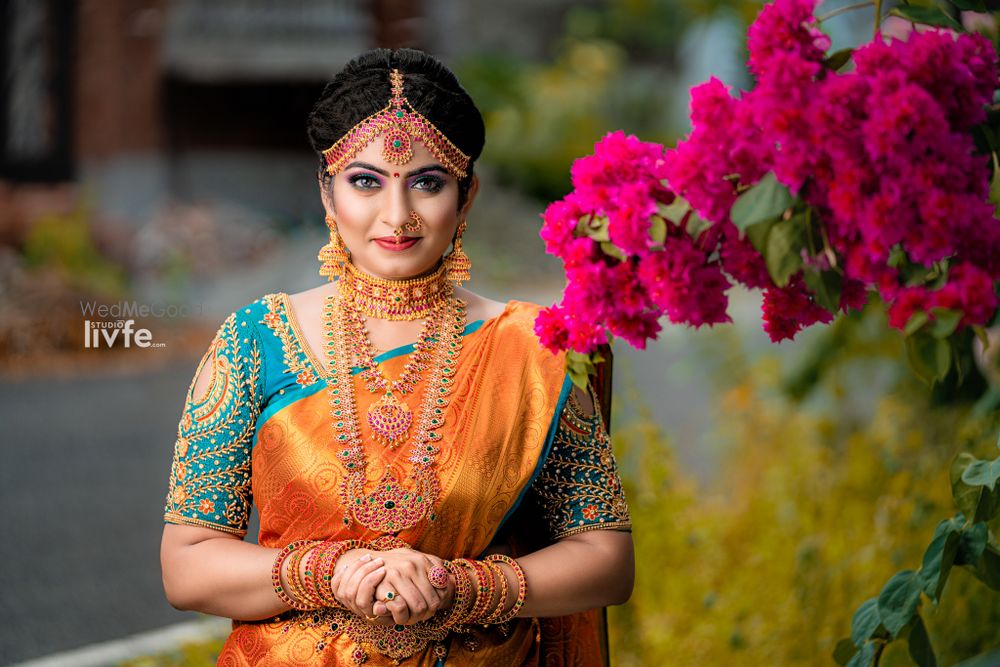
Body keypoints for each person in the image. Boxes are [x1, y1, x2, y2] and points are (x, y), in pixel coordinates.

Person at [159, 47, 634, 666]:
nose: (397, 216)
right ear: (327, 193)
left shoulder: (533, 348)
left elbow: (606, 559)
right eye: (365, 181)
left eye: (428, 183)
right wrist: (328, 573)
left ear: (466, 197)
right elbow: (187, 564)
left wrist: (460, 588)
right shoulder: (255, 339)